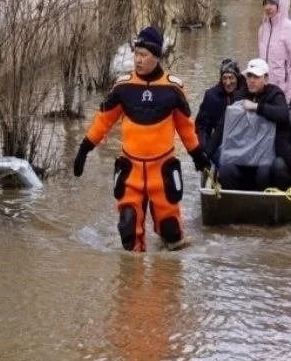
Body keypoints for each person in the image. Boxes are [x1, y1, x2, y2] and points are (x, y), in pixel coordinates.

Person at [72, 26, 212, 252]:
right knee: (128, 229)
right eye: (135, 54)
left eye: (143, 55)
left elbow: (185, 127)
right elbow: (103, 121)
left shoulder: (173, 89)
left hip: (162, 168)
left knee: (171, 233)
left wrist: (198, 155)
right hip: (131, 169)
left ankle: (166, 274)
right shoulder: (123, 87)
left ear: (156, 57)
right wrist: (84, 149)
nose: (138, 60)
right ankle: (131, 283)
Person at [206, 58, 288, 191]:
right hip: (241, 155)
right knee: (226, 171)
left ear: (266, 78)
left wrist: (257, 107)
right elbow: (223, 126)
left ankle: (263, 205)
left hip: (264, 157)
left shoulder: (275, 94)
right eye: (249, 76)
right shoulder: (239, 95)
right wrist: (206, 154)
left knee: (264, 173)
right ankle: (236, 205)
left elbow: (283, 114)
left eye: (256, 76)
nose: (251, 80)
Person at [258, 0, 291, 103]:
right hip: (264, 91)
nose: (268, 7)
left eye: (272, 3)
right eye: (265, 3)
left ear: (281, 4)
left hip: (282, 93)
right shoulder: (262, 30)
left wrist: (290, 96)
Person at [195, 59, 245, 167]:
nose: (228, 83)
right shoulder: (211, 96)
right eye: (224, 78)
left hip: (243, 143)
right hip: (218, 144)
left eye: (231, 78)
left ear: (237, 78)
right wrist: (205, 149)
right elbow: (202, 127)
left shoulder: (246, 93)